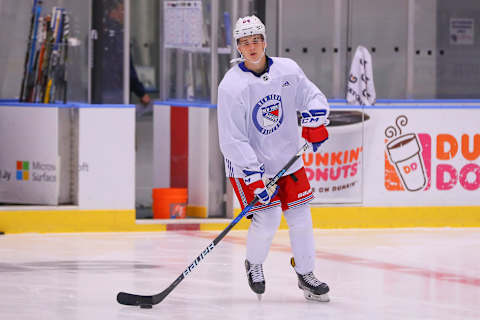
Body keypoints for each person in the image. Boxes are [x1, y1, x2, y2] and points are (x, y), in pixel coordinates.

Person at [217, 15, 331, 302]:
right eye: (245, 42)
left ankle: (306, 274)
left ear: (265, 41)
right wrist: (254, 175)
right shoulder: (231, 86)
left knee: (300, 217)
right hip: (248, 164)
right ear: (238, 47)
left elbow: (311, 96)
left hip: (287, 159)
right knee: (267, 219)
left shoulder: (288, 70)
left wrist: (315, 119)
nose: (252, 46)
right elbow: (232, 139)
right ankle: (254, 263)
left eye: (256, 40)